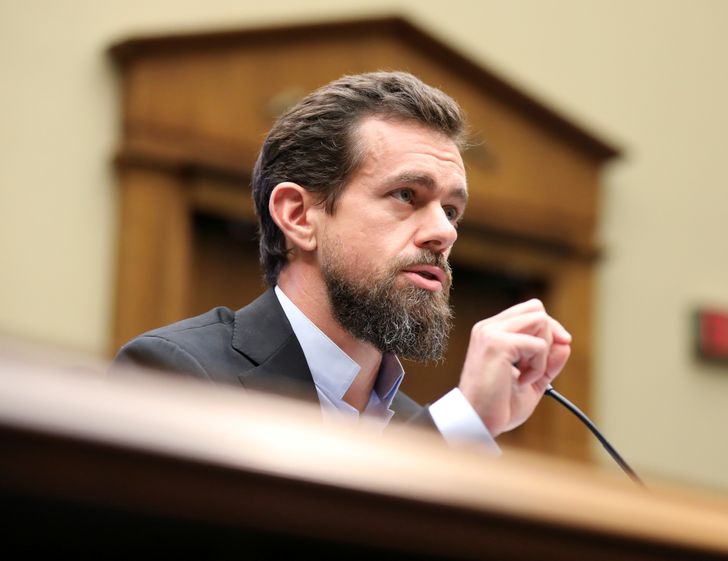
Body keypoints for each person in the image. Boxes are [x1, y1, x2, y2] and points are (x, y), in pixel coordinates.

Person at [112, 71, 572, 451]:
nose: (445, 232)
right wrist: (461, 424)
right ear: (298, 216)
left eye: (451, 210)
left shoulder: (415, 428)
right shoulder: (179, 376)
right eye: (407, 195)